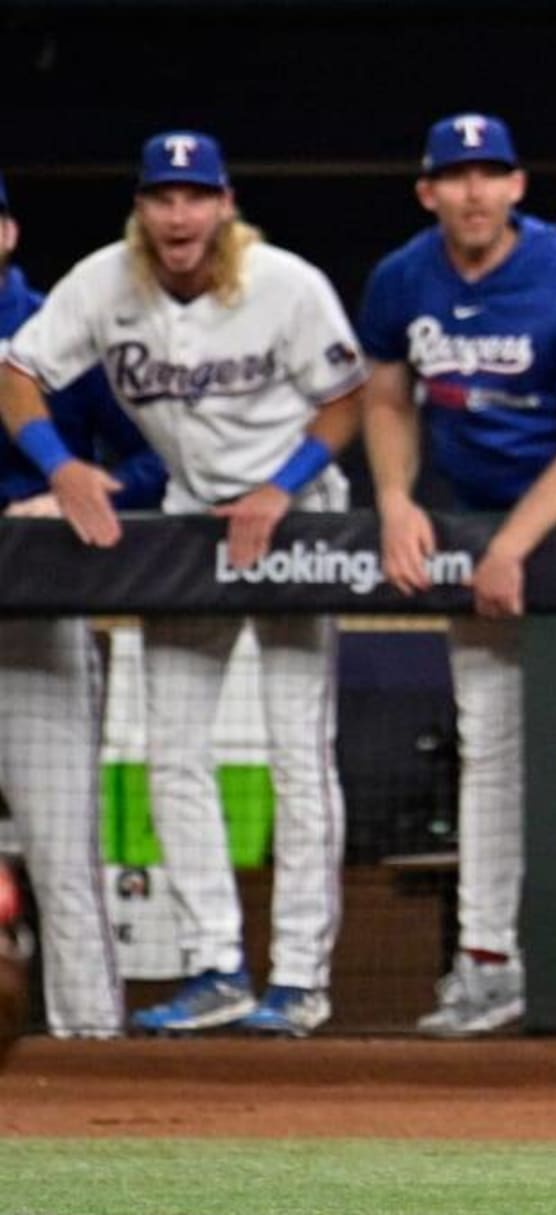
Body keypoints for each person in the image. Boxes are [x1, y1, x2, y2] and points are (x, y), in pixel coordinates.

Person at [0, 132, 359, 1037]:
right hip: (196, 519)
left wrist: (283, 485)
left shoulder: (285, 282)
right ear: (142, 208)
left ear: (224, 204)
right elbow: (16, 372)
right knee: (173, 751)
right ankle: (217, 965)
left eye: (195, 195)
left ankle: (302, 978)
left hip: (296, 512)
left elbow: (347, 399)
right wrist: (59, 467)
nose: (178, 213)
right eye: (162, 196)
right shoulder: (104, 283)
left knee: (295, 752)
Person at [358, 114, 556, 1040]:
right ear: (428, 192)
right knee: (489, 740)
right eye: (455, 176)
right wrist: (394, 498)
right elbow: (384, 392)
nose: (473, 191)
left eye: (490, 174)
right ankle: (487, 964)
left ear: (519, 186)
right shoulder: (401, 276)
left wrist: (512, 549)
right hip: (487, 520)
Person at [0, 168, 165, 1040]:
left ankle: (90, 1048)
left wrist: (80, 492)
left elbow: (156, 457)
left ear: (9, 233)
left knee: (64, 853)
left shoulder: (61, 325)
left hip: (38, 620)